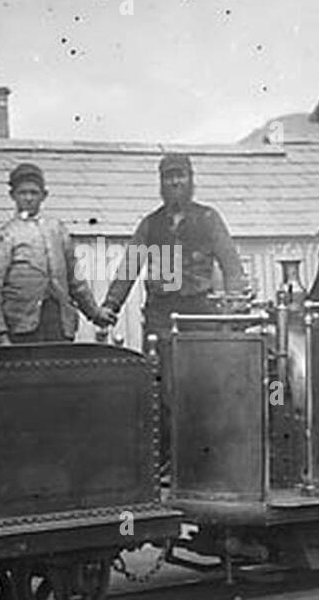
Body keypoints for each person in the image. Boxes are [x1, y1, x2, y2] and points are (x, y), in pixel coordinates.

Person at [102, 153, 247, 464]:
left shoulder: (208, 219)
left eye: (181, 176)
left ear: (191, 180)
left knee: (204, 387)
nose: (175, 182)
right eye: (169, 177)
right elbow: (129, 269)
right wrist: (109, 307)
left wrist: (234, 305)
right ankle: (166, 461)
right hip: (161, 316)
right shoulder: (151, 225)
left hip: (200, 315)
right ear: (162, 183)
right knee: (161, 390)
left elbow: (232, 267)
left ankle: (205, 459)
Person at [0, 163, 115, 344]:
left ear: (44, 196)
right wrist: (0, 334)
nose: (28, 198)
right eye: (22, 193)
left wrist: (95, 313)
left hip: (59, 326)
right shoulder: (4, 237)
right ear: (12, 196)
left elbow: (76, 282)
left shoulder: (57, 231)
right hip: (21, 329)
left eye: (34, 193)